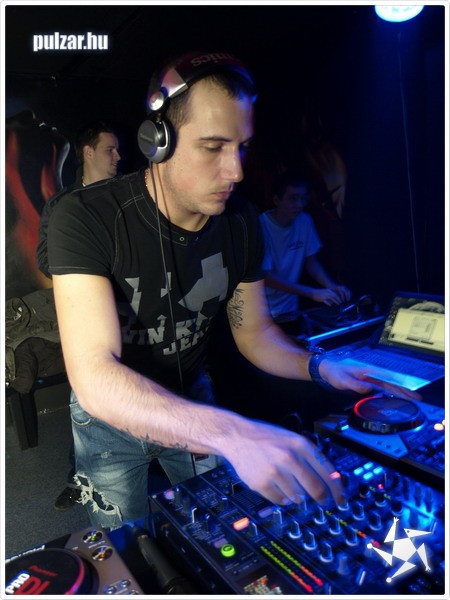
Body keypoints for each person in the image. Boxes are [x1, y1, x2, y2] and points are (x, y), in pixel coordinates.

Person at [43, 51, 419, 530]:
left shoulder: (240, 221)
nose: (236, 170)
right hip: (108, 420)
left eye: (241, 147)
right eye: (213, 147)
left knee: (219, 531)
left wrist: (322, 367)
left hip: (193, 395)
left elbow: (255, 333)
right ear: (158, 142)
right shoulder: (84, 216)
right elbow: (94, 373)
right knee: (125, 544)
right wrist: (235, 433)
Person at [37, 120, 121, 511]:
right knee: (86, 398)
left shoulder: (130, 195)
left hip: (134, 315)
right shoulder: (62, 205)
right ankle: (81, 477)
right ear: (88, 153)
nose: (118, 157)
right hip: (88, 317)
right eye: (109, 149)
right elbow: (44, 259)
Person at [259, 170, 352, 331]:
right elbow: (264, 277)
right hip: (262, 311)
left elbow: (311, 262)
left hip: (290, 310)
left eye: (302, 198)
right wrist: (312, 293)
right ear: (276, 200)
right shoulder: (260, 226)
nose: (299, 205)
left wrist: (330, 286)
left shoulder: (304, 221)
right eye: (293, 199)